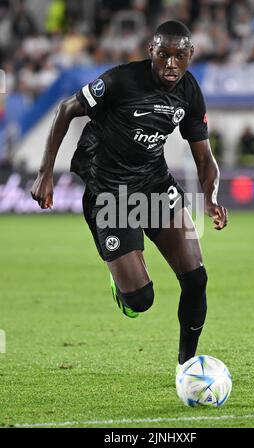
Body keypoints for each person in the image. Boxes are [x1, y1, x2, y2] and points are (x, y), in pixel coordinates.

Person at [31, 20, 228, 372]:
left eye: (179, 56)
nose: (171, 64)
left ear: (190, 56)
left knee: (196, 278)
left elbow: (204, 157)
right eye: (163, 55)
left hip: (153, 184)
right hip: (109, 193)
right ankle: (122, 280)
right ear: (150, 52)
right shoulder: (119, 80)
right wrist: (46, 172)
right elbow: (65, 109)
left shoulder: (189, 92)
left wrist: (210, 197)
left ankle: (187, 366)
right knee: (140, 299)